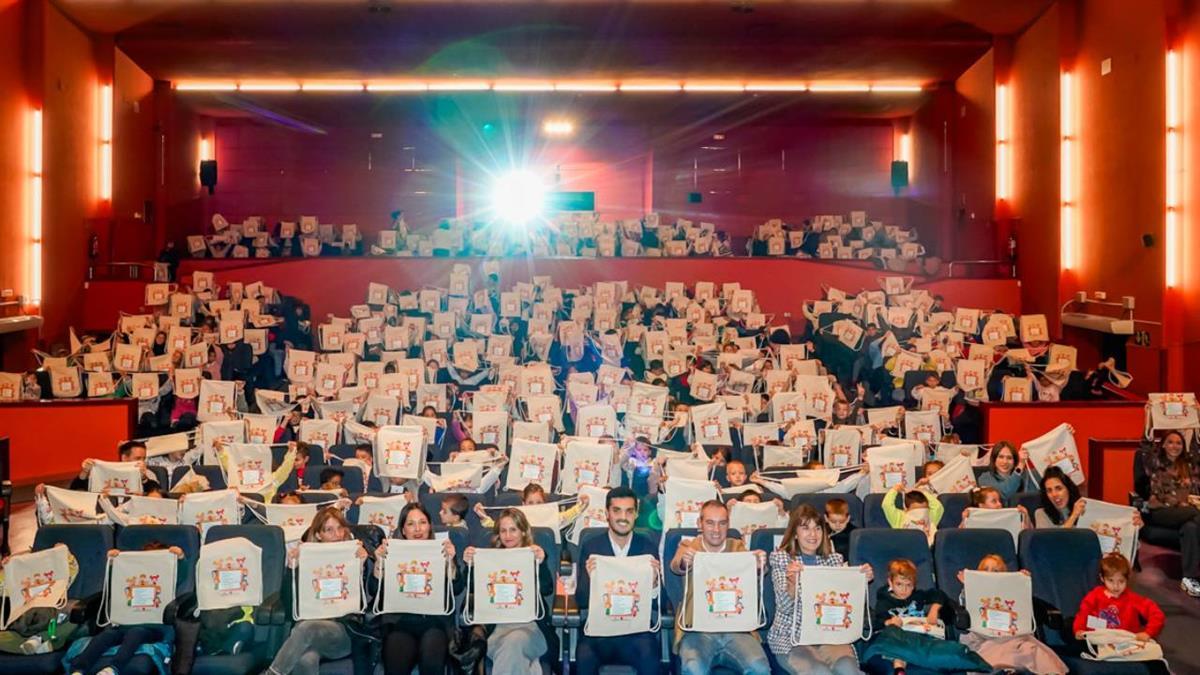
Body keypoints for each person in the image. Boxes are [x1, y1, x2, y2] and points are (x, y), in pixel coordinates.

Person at [668, 500, 771, 675]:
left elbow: (757, 568)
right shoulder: (689, 546)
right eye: (710, 523)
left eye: (722, 523)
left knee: (759, 668)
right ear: (700, 524)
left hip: (737, 630)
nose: (716, 530)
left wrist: (762, 565)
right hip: (697, 630)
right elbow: (676, 566)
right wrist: (685, 562)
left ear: (728, 525)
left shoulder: (737, 547)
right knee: (694, 668)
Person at [767, 504, 871, 674]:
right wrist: (792, 585)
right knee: (820, 671)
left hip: (830, 636)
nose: (813, 534)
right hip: (793, 639)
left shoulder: (834, 560)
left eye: (817, 528)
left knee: (849, 670)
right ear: (794, 533)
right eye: (805, 528)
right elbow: (785, 608)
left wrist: (861, 581)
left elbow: (846, 604)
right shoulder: (781, 559)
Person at [268, 508, 369, 675]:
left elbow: (367, 605)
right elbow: (287, 607)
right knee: (306, 660)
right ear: (319, 535)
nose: (337, 534)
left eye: (340, 528)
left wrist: (362, 567)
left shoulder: (355, 556)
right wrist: (292, 569)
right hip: (306, 637)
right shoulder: (307, 560)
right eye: (329, 530)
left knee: (307, 627)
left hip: (341, 634)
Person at [575, 486, 661, 675]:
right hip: (599, 634)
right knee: (583, 658)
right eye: (617, 511)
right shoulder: (592, 546)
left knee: (651, 658)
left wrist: (654, 584)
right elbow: (580, 601)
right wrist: (590, 579)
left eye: (629, 511)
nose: (623, 517)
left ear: (636, 514)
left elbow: (659, 606)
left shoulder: (648, 547)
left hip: (636, 634)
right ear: (607, 513)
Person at [62, 543, 185, 675]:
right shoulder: (132, 576)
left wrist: (180, 559)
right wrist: (113, 564)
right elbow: (115, 582)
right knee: (106, 636)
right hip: (124, 625)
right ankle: (78, 669)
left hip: (155, 627)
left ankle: (113, 668)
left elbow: (180, 575)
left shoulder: (166, 577)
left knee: (136, 632)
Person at [374, 503, 463, 675]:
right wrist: (379, 563)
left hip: (435, 624)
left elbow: (457, 589)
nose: (417, 529)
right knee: (395, 665)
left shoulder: (442, 551)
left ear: (430, 526)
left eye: (422, 522)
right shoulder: (391, 553)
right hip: (400, 623)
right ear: (403, 530)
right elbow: (374, 592)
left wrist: (450, 562)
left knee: (431, 661)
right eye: (411, 524)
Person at [462, 509, 553, 673]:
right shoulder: (489, 559)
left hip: (530, 628)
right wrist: (471, 566)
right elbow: (472, 589)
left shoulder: (535, 555)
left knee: (514, 642)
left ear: (523, 532)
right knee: (513, 652)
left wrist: (541, 564)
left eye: (513, 529)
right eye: (503, 530)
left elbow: (547, 589)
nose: (508, 535)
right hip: (496, 631)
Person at [955, 555, 1066, 674]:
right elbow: (966, 603)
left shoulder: (1011, 592)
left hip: (1013, 635)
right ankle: (1005, 670)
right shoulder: (972, 591)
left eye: (996, 570)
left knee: (1029, 648)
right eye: (985, 569)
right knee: (1000, 651)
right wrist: (968, 586)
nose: (990, 573)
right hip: (984, 638)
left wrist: (1022, 583)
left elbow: (1022, 611)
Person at [1138, 429, 1200, 597]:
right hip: (1161, 511)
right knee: (1196, 514)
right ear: (1164, 444)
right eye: (1170, 442)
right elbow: (1145, 449)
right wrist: (1149, 424)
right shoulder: (1155, 463)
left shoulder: (1189, 466)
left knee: (1191, 528)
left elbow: (1196, 447)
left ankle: (1189, 578)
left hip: (1187, 513)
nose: (1175, 446)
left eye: (1179, 443)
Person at [1074, 553, 1165, 642]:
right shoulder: (1094, 596)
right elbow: (1083, 614)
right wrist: (1079, 629)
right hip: (1099, 640)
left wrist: (1148, 632)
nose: (1116, 586)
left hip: (1125, 643)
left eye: (1121, 581)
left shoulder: (1133, 599)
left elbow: (1157, 614)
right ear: (1102, 578)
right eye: (1111, 581)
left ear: (1127, 579)